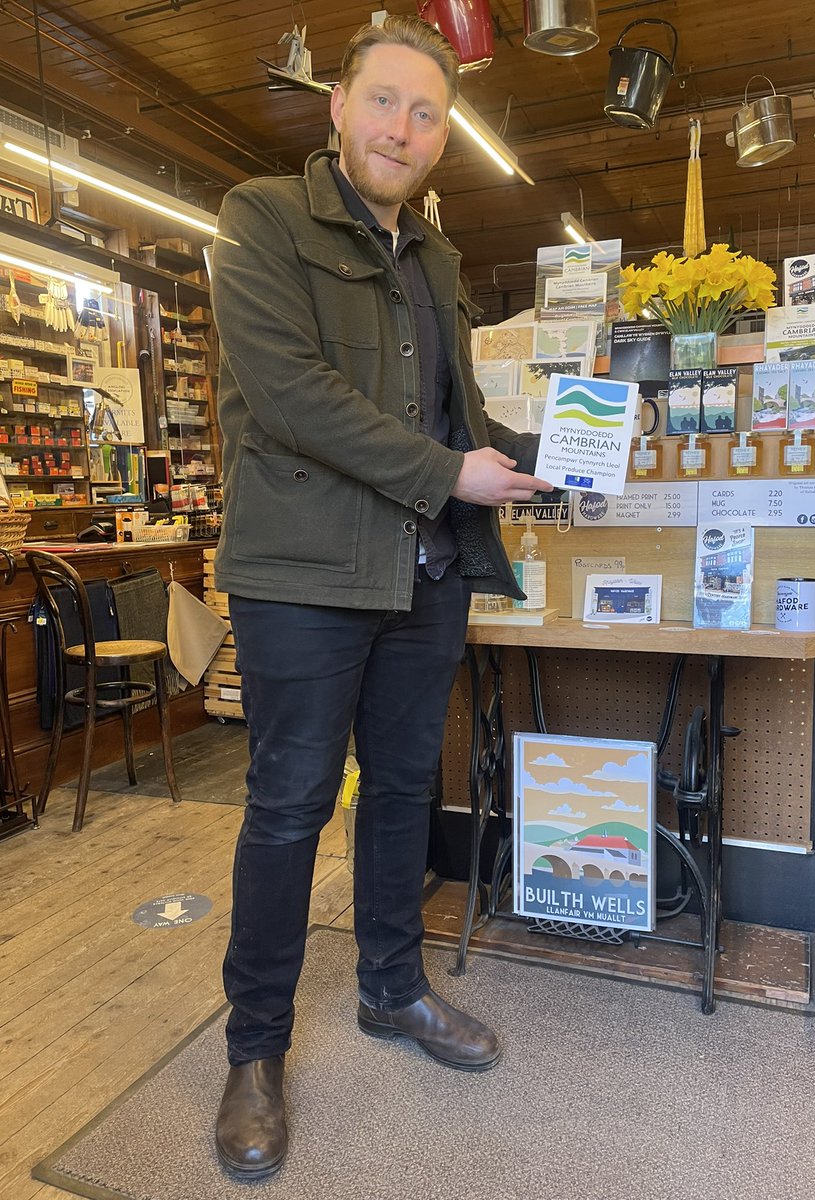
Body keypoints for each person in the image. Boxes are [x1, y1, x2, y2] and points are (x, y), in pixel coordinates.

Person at [209, 14, 549, 1181]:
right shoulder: (261, 217)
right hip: (303, 576)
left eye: (427, 111)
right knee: (291, 806)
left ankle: (392, 991)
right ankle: (254, 1053)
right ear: (339, 107)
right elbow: (292, 396)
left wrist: (554, 449)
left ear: (442, 134)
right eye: (385, 101)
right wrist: (452, 470)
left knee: (404, 793)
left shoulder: (440, 262)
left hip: (425, 572)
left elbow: (451, 424)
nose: (404, 126)